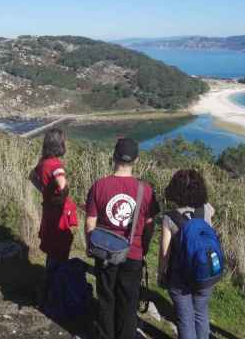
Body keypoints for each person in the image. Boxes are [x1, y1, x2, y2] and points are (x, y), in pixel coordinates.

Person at [85, 138, 160, 339]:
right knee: (128, 302)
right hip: (133, 252)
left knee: (105, 298)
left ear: (114, 157)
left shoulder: (99, 186)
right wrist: (143, 248)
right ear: (136, 159)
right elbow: (150, 224)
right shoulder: (146, 190)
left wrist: (89, 246)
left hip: (105, 251)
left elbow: (90, 223)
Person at [158, 169, 215, 339]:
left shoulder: (170, 218)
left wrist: (161, 274)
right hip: (205, 271)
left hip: (179, 276)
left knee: (185, 318)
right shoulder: (207, 209)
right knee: (201, 314)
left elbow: (164, 252)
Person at [29, 128, 74, 279]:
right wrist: (60, 197)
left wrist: (45, 191)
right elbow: (61, 184)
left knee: (52, 248)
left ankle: (50, 281)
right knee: (60, 248)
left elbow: (32, 176)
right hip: (58, 213)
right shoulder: (56, 165)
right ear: (59, 144)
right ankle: (56, 284)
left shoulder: (43, 162)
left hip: (49, 210)